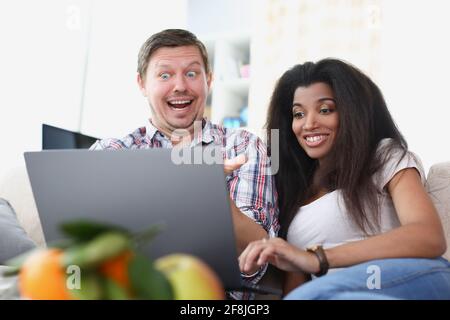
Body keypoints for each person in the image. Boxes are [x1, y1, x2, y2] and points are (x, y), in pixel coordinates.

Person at [90, 29, 279, 299]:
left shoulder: (242, 147)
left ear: (208, 80)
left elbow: (257, 257)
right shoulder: (110, 152)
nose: (180, 86)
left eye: (191, 74)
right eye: (164, 75)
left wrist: (212, 192)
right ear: (142, 83)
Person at [238, 58, 450, 299]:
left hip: (409, 278)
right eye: (298, 114)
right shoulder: (295, 192)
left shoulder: (382, 156)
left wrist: (318, 259)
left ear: (352, 113)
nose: (308, 124)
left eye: (325, 109)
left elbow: (429, 236)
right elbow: (297, 285)